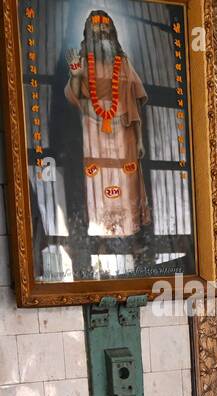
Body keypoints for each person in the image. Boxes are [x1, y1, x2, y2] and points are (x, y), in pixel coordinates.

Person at [64, 10, 150, 238]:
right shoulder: (82, 63)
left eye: (105, 27)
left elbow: (135, 101)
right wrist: (74, 76)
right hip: (94, 128)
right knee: (98, 176)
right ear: (88, 33)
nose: (101, 31)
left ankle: (128, 227)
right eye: (96, 27)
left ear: (112, 32)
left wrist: (139, 139)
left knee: (125, 175)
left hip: (123, 128)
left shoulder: (123, 63)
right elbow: (75, 97)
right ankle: (102, 226)